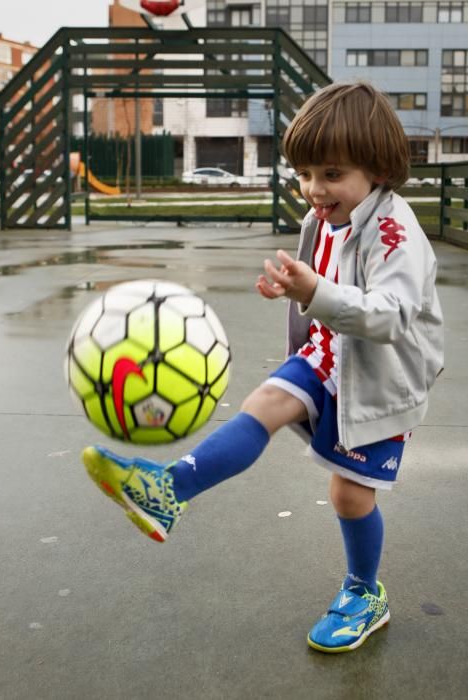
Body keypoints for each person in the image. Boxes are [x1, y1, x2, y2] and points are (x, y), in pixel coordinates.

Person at [81, 82, 444, 653]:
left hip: (381, 377)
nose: (313, 189)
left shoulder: (395, 232)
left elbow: (393, 316)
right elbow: (323, 283)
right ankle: (167, 491)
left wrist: (316, 292)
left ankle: (364, 590)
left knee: (351, 496)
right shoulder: (326, 215)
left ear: (376, 167)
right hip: (329, 353)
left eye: (330, 174)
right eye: (303, 173)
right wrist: (293, 289)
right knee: (264, 404)